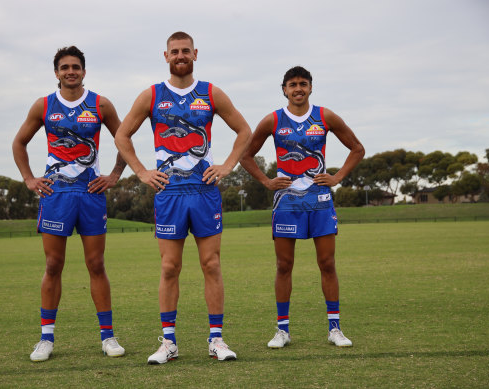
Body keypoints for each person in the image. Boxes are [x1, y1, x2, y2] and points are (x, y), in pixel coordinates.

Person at [114, 31, 251, 364]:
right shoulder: (151, 96)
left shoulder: (210, 93)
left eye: (185, 50)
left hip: (204, 190)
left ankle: (216, 339)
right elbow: (122, 135)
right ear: (166, 56)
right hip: (169, 192)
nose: (180, 55)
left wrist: (227, 165)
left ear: (195, 53)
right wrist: (142, 172)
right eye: (174, 51)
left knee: (211, 265)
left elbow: (244, 131)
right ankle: (169, 343)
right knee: (170, 267)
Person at [12, 46, 127, 362]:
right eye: (65, 67)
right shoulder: (44, 105)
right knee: (52, 265)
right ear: (57, 73)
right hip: (56, 195)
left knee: (96, 264)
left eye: (76, 67)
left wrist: (115, 174)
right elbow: (19, 143)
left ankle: (108, 337)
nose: (70, 71)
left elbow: (124, 139)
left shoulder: (100, 104)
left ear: (84, 71)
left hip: (91, 193)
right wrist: (29, 179)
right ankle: (45, 339)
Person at [240, 66, 364, 349]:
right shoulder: (272, 120)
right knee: (284, 265)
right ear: (284, 89)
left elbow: (357, 148)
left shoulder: (325, 117)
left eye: (303, 84)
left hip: (319, 201)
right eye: (292, 84)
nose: (298, 89)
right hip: (286, 203)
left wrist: (337, 177)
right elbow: (246, 156)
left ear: (311, 88)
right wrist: (266, 181)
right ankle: (282, 330)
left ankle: (335, 328)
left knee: (327, 263)